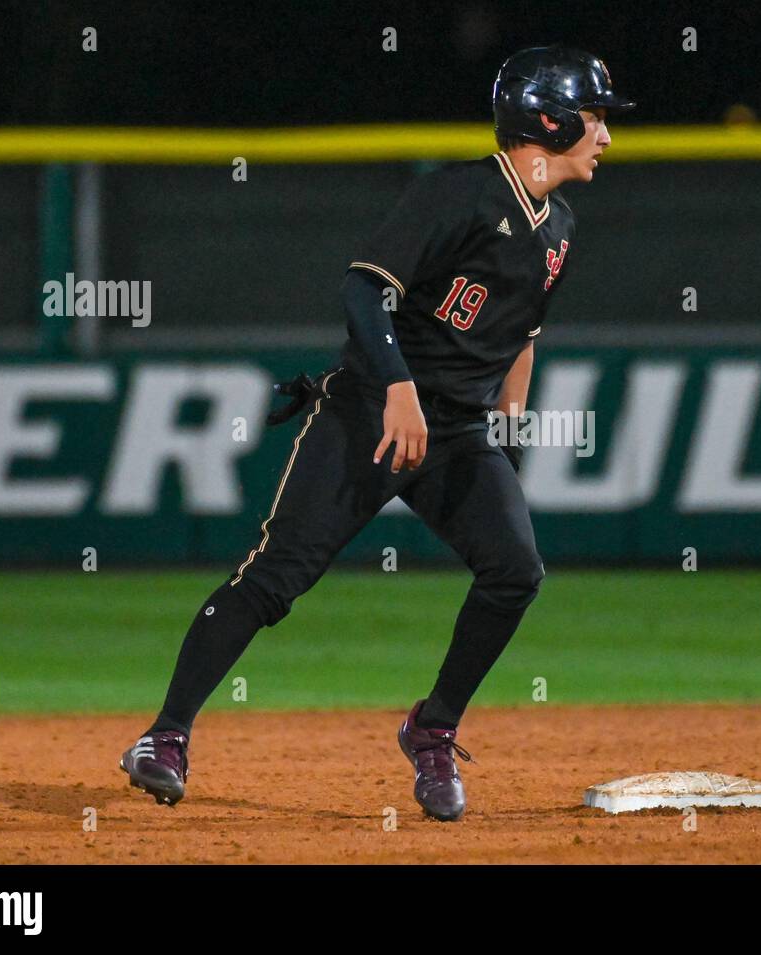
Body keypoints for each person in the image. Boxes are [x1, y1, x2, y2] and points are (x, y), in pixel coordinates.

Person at [118, 46, 634, 821]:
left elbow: (521, 335)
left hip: (455, 433)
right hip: (368, 413)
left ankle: (432, 729)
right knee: (275, 577)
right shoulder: (457, 195)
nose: (608, 136)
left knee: (515, 569)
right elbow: (363, 288)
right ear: (549, 122)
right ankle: (165, 736)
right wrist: (397, 390)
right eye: (596, 119)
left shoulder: (558, 225)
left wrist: (509, 431)